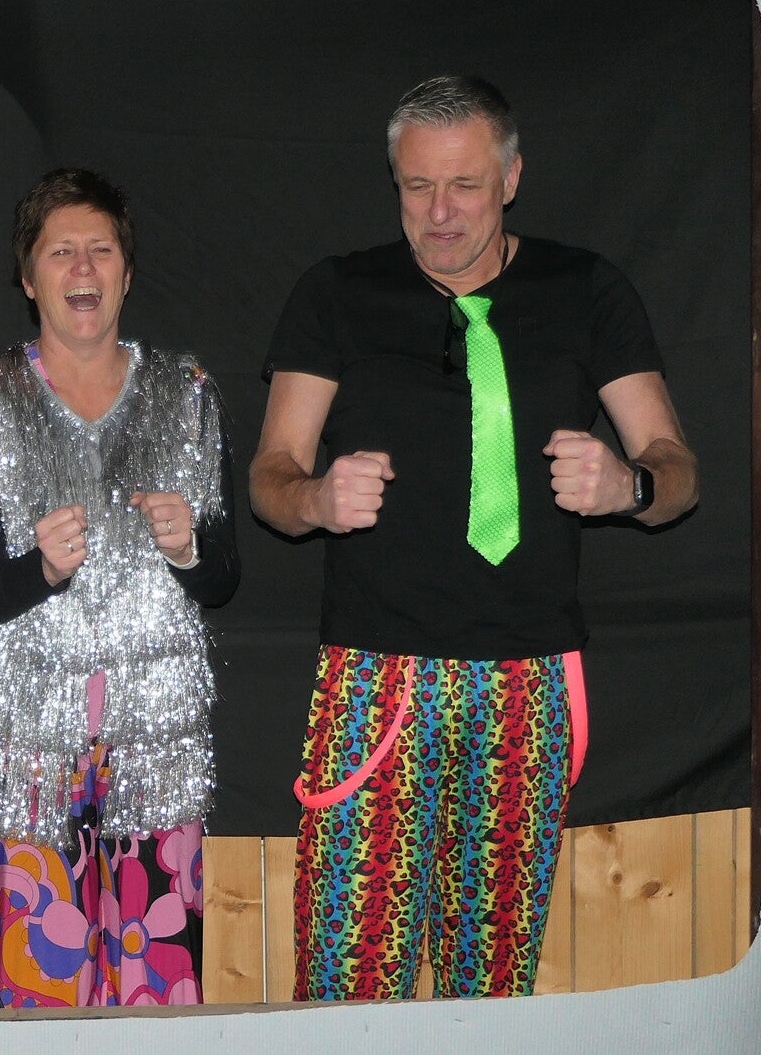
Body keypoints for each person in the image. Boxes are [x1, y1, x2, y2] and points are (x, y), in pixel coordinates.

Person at [251, 76, 699, 1001]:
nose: (441, 212)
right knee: (346, 980)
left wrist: (629, 485)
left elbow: (678, 470)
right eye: (418, 186)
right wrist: (316, 499)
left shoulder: (586, 289)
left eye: (465, 185)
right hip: (376, 672)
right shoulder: (339, 291)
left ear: (512, 178)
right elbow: (271, 476)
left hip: (527, 678)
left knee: (491, 984)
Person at [0, 168, 240, 1008]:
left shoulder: (188, 391)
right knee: (31, 989)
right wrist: (39, 569)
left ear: (126, 273)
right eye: (59, 251)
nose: (82, 267)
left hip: (153, 746)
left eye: (100, 250)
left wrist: (188, 548)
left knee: (154, 989)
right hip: (21, 751)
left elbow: (223, 578)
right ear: (28, 276)